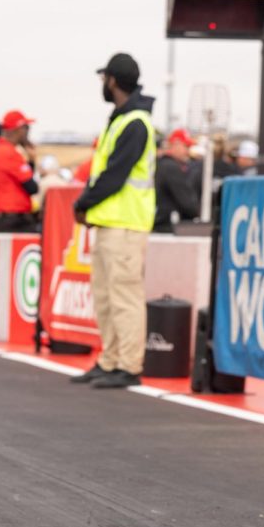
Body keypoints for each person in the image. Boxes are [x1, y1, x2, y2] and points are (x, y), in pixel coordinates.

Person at [69, 52, 156, 390]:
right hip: (112, 223)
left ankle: (129, 364)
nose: (103, 85)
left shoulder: (135, 122)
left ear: (113, 80)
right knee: (106, 296)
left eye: (105, 79)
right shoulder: (122, 118)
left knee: (124, 297)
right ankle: (111, 359)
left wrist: (84, 203)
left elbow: (114, 175)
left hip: (126, 224)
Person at [0, 109, 39, 232]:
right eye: (26, 128)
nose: (27, 132)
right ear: (17, 130)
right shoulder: (9, 152)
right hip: (10, 222)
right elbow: (32, 187)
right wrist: (33, 160)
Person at [153, 128, 197, 232]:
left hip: (156, 224)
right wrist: (196, 211)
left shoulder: (161, 163)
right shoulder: (171, 167)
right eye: (186, 146)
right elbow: (187, 203)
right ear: (175, 144)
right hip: (165, 227)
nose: (188, 151)